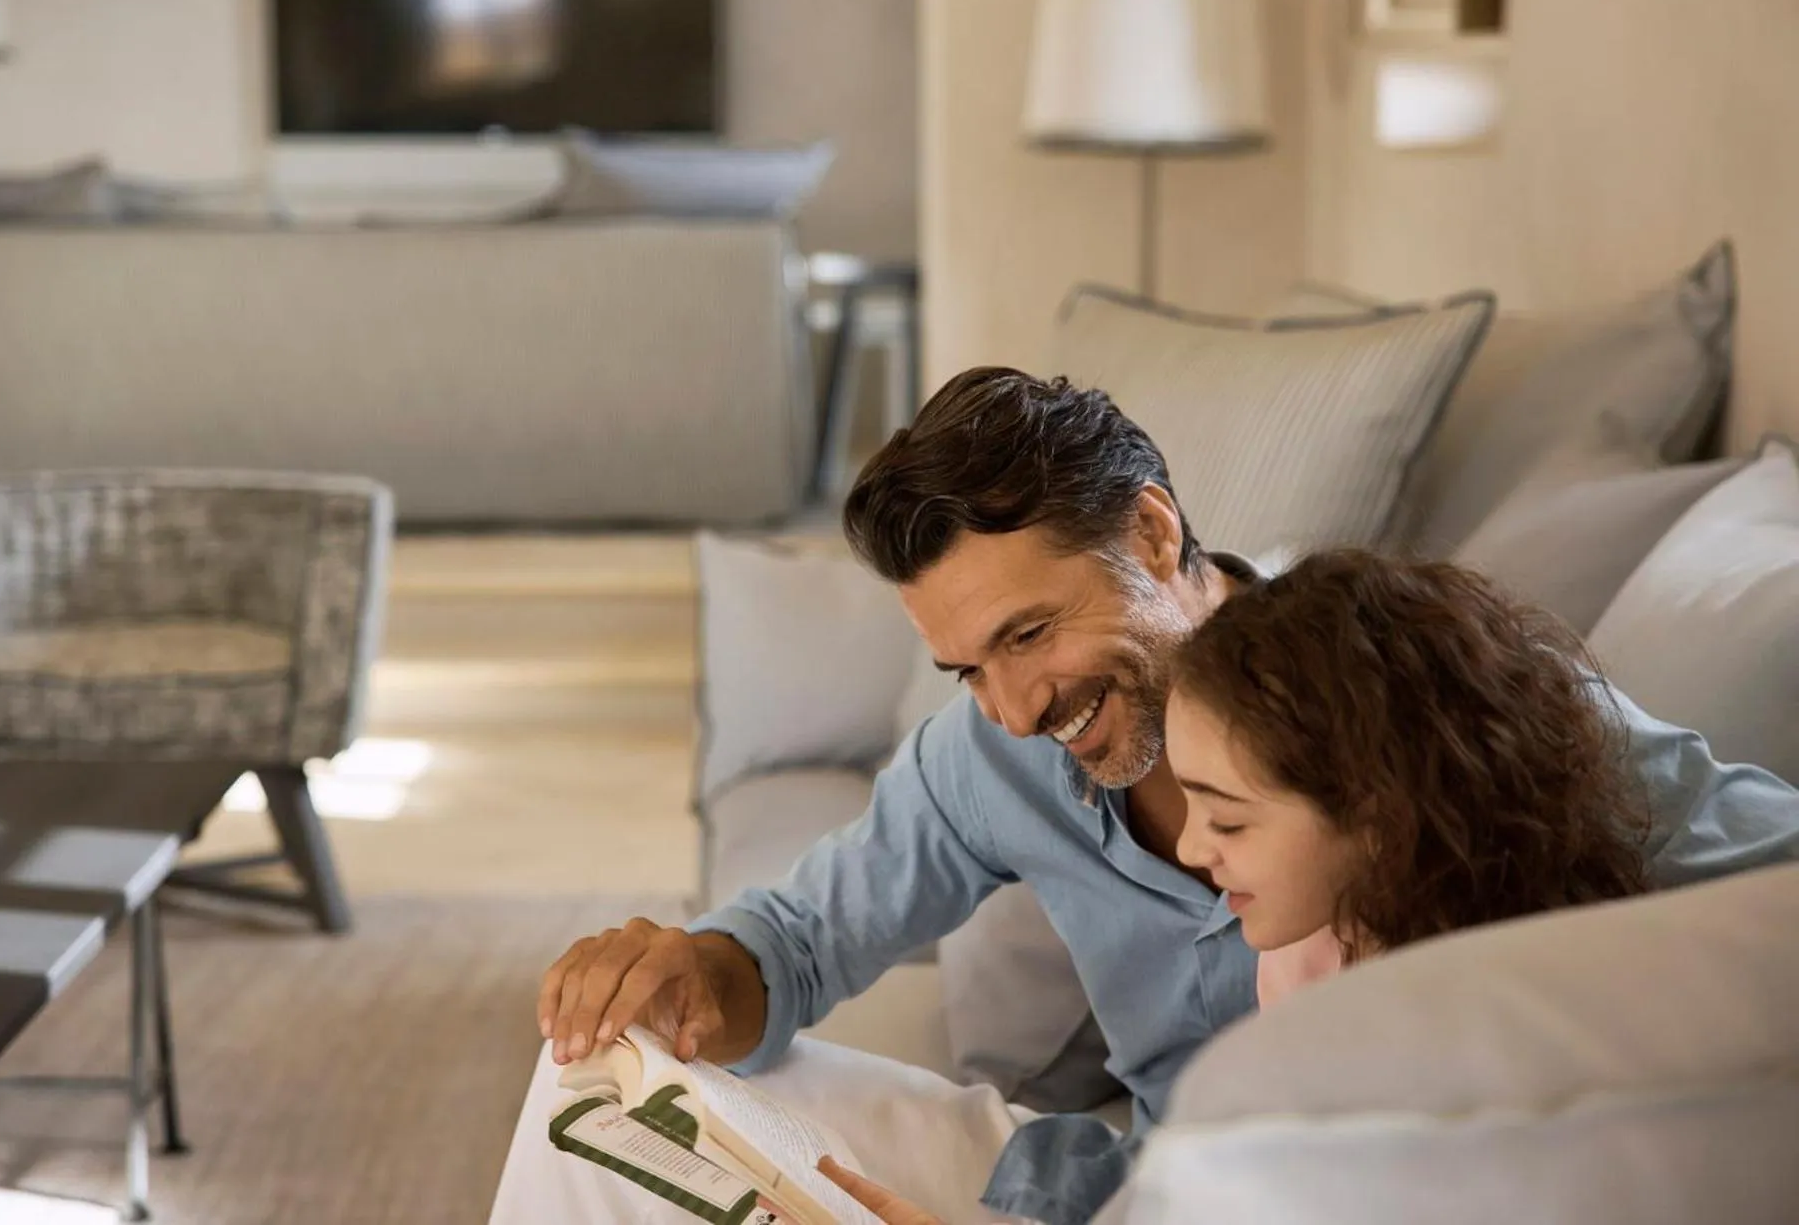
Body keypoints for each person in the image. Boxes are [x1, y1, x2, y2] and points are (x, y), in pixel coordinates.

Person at [489, 368, 1799, 1225]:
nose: (1009, 709)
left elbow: (1765, 881)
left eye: (1027, 637)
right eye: (963, 667)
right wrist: (703, 971)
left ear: (1156, 536)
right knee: (597, 1086)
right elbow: (809, 930)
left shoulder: (1409, 694)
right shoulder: (994, 753)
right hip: (1102, 1191)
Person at [1166, 549, 1649, 1008]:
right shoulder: (1300, 953)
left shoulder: (1521, 994)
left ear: (1381, 812)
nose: (1188, 850)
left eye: (1227, 822)